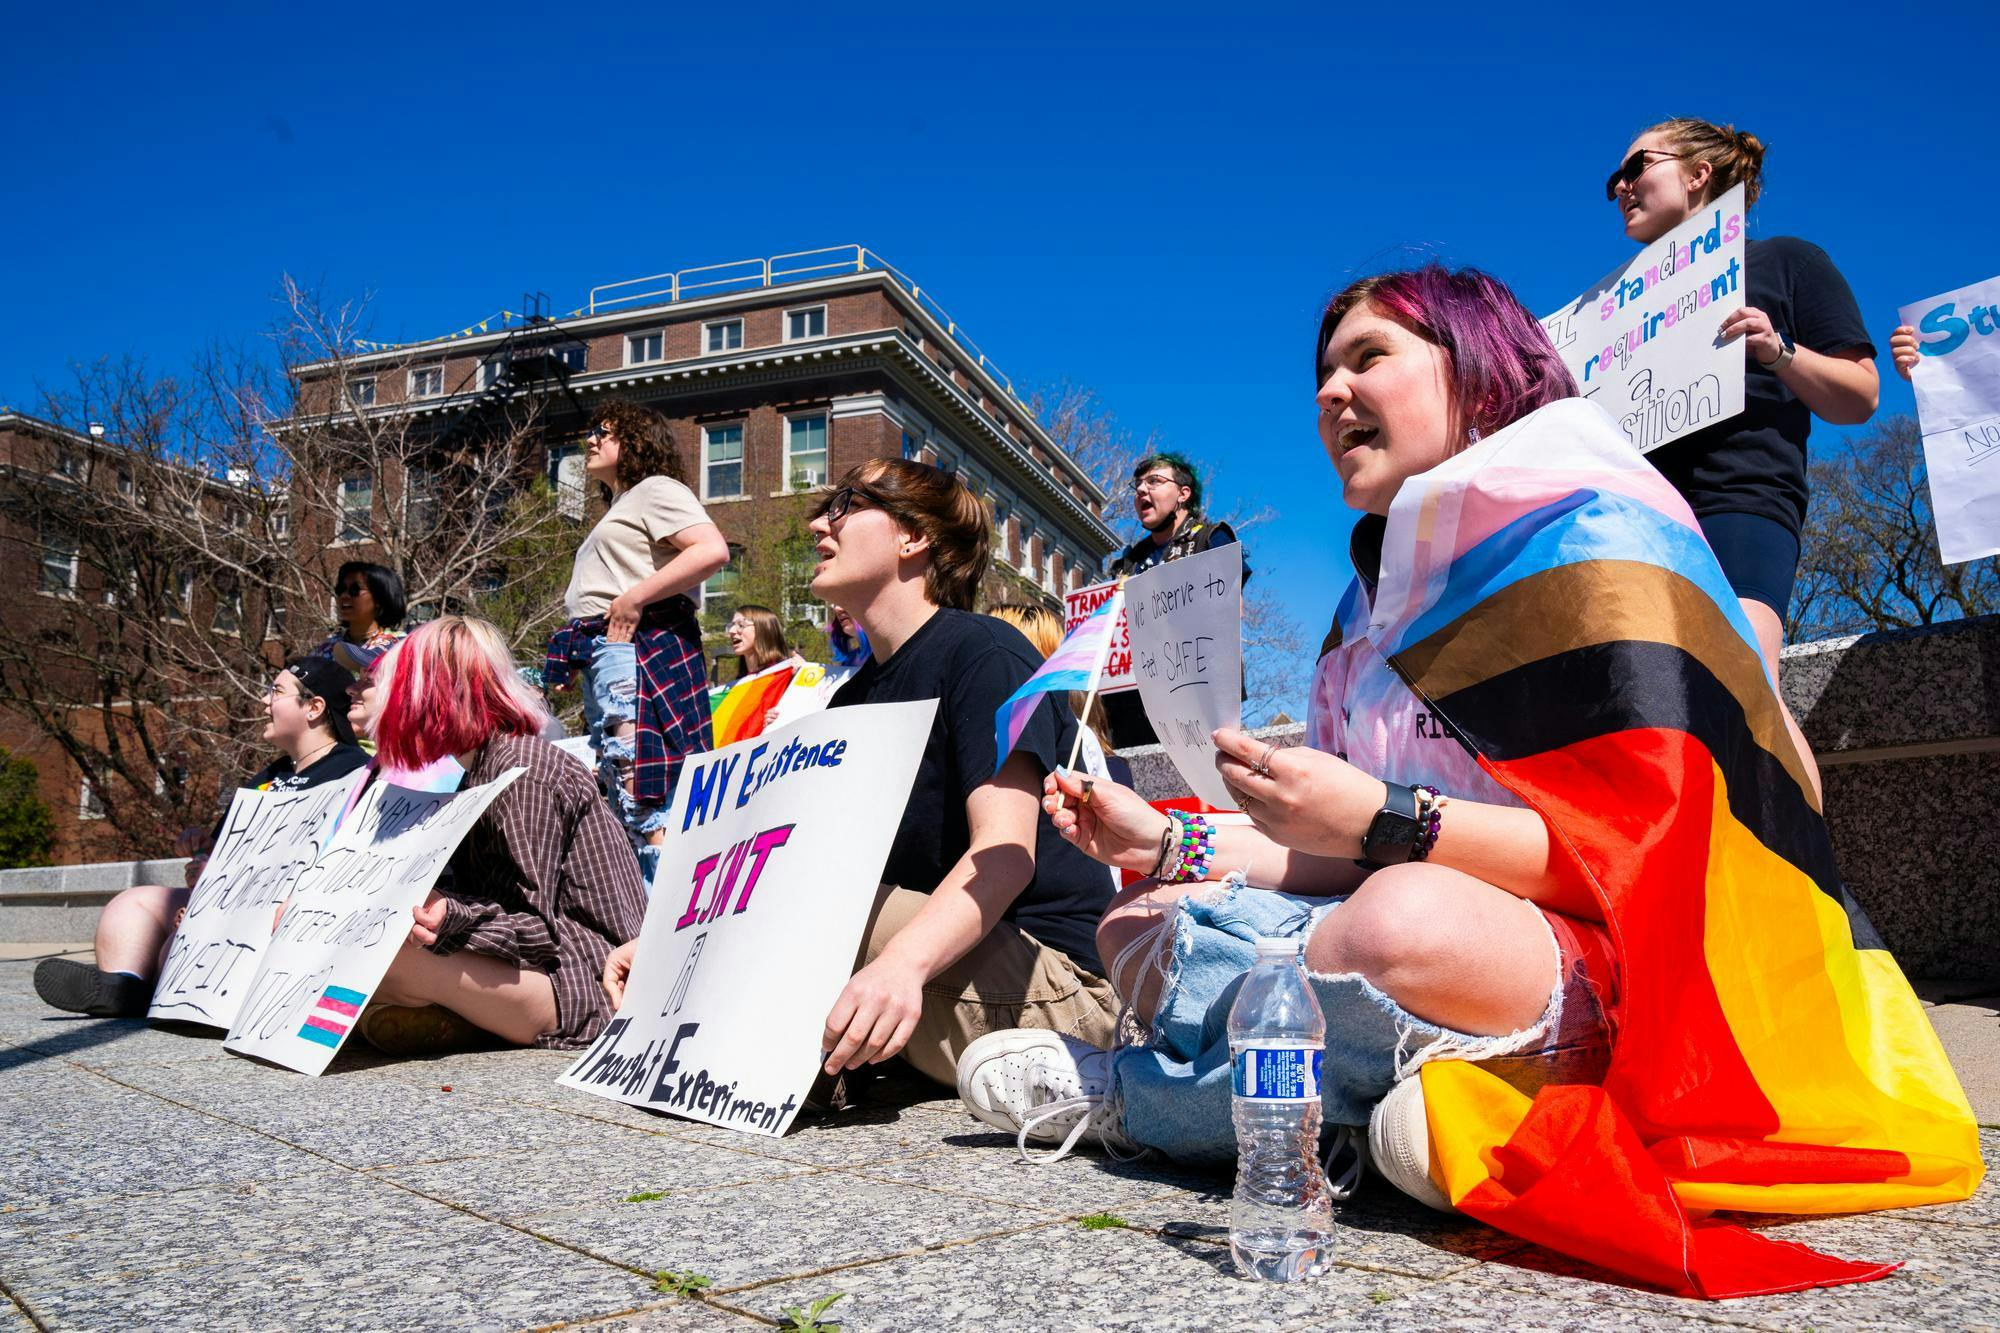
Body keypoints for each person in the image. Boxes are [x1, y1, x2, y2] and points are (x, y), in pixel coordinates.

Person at [953, 265, 1977, 1296]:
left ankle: (1144, 1101)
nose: (1325, 393)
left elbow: (1652, 863)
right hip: (1424, 936)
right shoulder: (1367, 605)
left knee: (1396, 920)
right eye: (1320, 371)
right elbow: (1332, 844)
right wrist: (1167, 845)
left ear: (1481, 372)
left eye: (1367, 358)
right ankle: (1399, 1114)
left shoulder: (1601, 537)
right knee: (1144, 923)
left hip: (1646, 979)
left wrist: (1387, 822)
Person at [601, 460, 1121, 1088]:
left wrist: (899, 965)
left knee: (807, 902)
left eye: (847, 503)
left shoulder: (985, 652)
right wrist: (671, 949)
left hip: (1056, 995)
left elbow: (1006, 853)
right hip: (929, 982)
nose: (819, 521)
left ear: (913, 538)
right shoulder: (850, 701)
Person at [1608, 118, 1878, 797]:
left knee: (1744, 684)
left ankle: (1811, 886)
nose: (1620, 186)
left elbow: (1860, 396)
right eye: (1613, 180)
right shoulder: (1614, 308)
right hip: (1637, 522)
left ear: (1698, 174)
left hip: (1741, 501)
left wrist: (1777, 350)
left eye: (1637, 165)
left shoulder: (1791, 262)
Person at [360, 616, 647, 1054]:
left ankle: (455, 1017)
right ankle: (455, 1017)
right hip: (558, 974)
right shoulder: (485, 770)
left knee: (387, 959)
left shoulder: (520, 772)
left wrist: (450, 916)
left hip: (588, 984)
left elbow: (539, 932)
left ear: (426, 694)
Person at [32, 657, 369, 1017]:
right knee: (134, 903)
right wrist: (204, 858)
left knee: (180, 941)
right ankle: (124, 986)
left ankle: (156, 990)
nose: (264, 702)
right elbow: (226, 850)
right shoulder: (269, 776)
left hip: (286, 914)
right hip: (227, 904)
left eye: (276, 692)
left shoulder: (353, 772)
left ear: (314, 707)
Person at [542, 401, 730, 874]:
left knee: (639, 783)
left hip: (638, 646)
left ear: (636, 440)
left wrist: (633, 600)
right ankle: (646, 912)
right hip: (611, 650)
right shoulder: (623, 504)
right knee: (620, 782)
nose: (590, 439)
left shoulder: (655, 489)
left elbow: (712, 550)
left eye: (602, 431)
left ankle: (662, 909)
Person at [1100, 452, 1247, 749]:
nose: (1142, 490)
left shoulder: (1211, 538)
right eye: (1138, 485)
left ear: (1183, 494)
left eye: (1154, 481)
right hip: (1132, 704)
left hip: (1198, 694)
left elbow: (1232, 608)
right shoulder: (1125, 565)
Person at [308, 561, 408, 673]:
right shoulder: (324, 649)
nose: (344, 596)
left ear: (379, 598)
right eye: (340, 589)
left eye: (354, 590)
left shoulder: (399, 647)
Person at [715, 604, 798, 681]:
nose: (731, 631)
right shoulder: (736, 687)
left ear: (762, 629)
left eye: (740, 625)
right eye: (731, 625)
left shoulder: (787, 675)